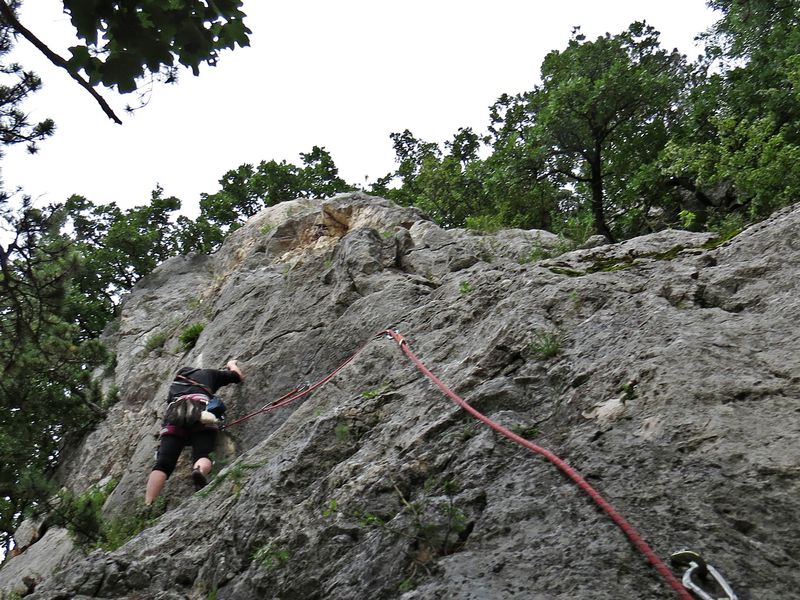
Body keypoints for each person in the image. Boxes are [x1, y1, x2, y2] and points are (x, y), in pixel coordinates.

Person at [145, 359, 244, 505]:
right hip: (201, 412)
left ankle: (148, 502)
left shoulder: (175, 385)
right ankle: (199, 471)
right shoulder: (208, 374)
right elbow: (236, 377)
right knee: (203, 454)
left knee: (163, 463)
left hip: (175, 415)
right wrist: (231, 364)